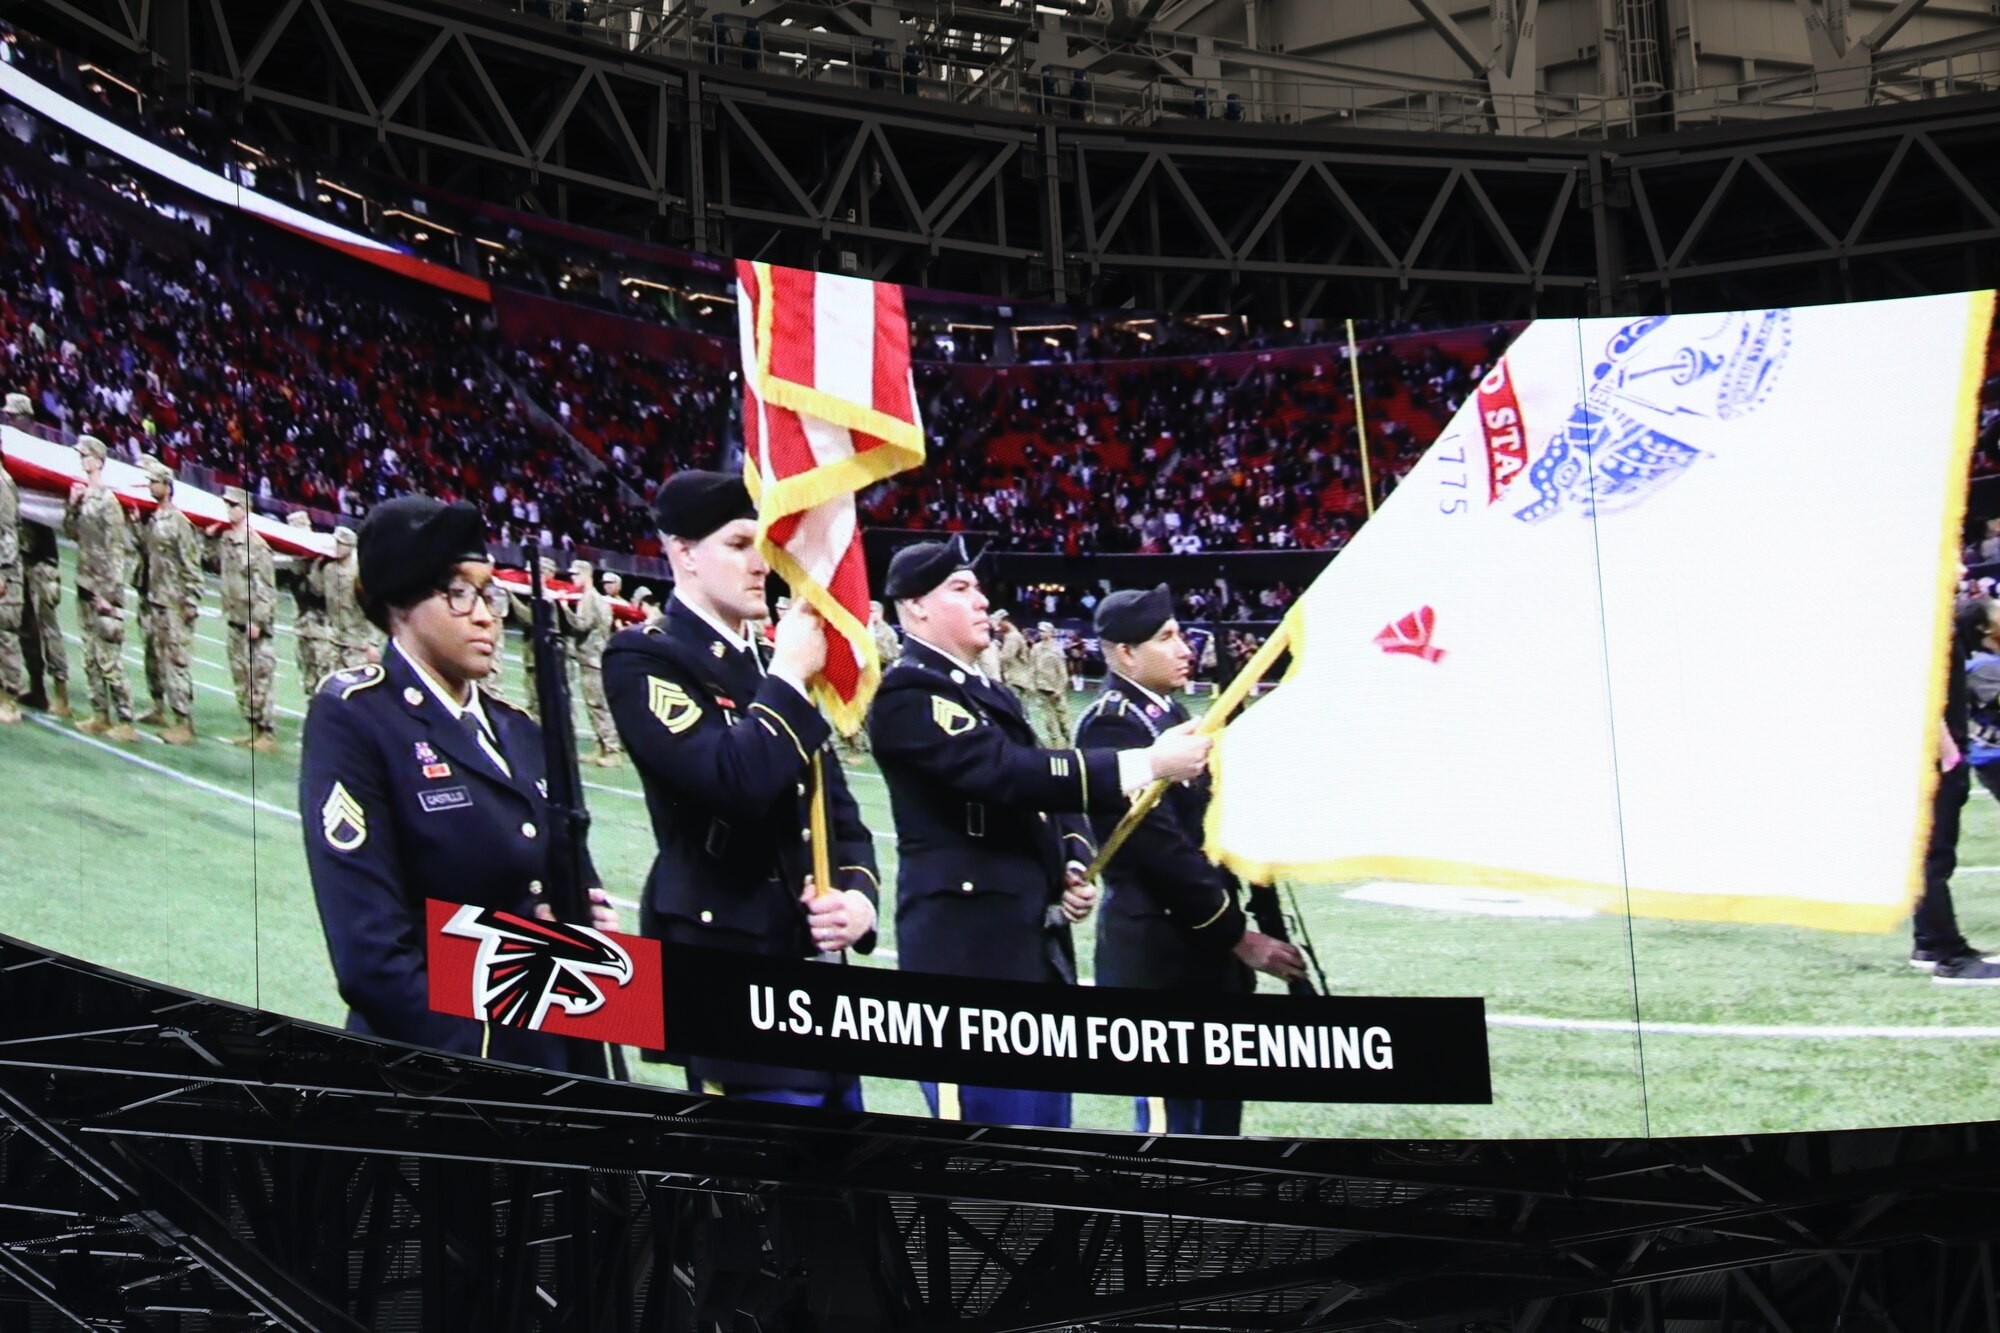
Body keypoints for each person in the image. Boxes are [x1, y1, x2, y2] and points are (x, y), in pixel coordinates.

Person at [867, 540, 1211, 1127]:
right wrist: (1145, 763)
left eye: (977, 587)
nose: (981, 601)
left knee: (1046, 1148)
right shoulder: (909, 692)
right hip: (966, 969)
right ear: (914, 607)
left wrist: (1069, 865)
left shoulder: (986, 691)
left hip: (1027, 955)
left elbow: (1050, 797)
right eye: (960, 588)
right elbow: (1007, 774)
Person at [299, 494, 619, 1071]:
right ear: (400, 603)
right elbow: (372, 957)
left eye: (488, 592)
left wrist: (591, 932)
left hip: (557, 1054)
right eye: (459, 593)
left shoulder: (519, 732)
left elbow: (573, 901)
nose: (485, 614)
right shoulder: (358, 716)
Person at [603, 470, 880, 1108]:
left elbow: (840, 817)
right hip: (727, 961)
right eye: (738, 544)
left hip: (818, 980)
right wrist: (785, 673)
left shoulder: (772, 665)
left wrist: (858, 902)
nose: (762, 562)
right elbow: (733, 780)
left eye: (767, 544)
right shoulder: (646, 656)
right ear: (682, 553)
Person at [1076, 584, 1306, 1135]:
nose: (1185, 648)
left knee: (1218, 1123)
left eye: (1181, 633)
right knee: (1171, 1126)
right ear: (1126, 653)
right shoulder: (1114, 725)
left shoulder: (1174, 713)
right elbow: (1157, 851)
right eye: (1167, 637)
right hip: (1159, 960)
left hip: (1207, 961)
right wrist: (1238, 936)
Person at [1911, 593, 2000, 984]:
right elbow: (1923, 699)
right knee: (1933, 857)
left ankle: (1929, 943)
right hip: (1936, 758)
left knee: (1932, 855)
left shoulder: (1935, 631)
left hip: (1941, 756)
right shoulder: (1927, 631)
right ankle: (1950, 956)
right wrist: (1950, 757)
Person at [64, 435, 137, 741]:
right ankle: (99, 714)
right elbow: (71, 533)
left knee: (108, 658)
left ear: (97, 460)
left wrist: (110, 596)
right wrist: (72, 505)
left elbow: (116, 551)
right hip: (85, 583)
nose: (81, 460)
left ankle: (126, 721)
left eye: (85, 456)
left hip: (102, 590)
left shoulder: (108, 502)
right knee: (90, 656)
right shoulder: (83, 496)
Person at [133, 457, 203, 744]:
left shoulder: (179, 522)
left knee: (176, 660)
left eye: (154, 482)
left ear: (167, 486)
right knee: (155, 655)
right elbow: (148, 554)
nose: (150, 486)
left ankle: (183, 723)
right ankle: (159, 708)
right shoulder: (155, 519)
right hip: (155, 597)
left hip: (173, 600)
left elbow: (191, 564)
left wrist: (191, 601)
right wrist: (138, 526)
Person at [217, 486, 278, 752]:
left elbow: (266, 588)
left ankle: (266, 732)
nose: (230, 510)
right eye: (228, 505)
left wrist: (259, 620)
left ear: (246, 509)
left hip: (252, 622)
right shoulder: (227, 539)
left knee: (259, 677)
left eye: (235, 505)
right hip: (234, 618)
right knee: (242, 678)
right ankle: (252, 728)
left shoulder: (257, 546)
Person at [561, 558, 622, 767]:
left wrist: (564, 608)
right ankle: (601, 746)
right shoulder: (597, 599)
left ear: (586, 575)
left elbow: (581, 624)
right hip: (594, 657)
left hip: (592, 658)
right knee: (594, 705)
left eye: (575, 575)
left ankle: (612, 750)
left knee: (598, 705)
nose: (572, 579)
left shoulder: (589, 598)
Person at [285, 511, 337, 695]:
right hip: (303, 627)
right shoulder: (294, 562)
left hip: (323, 629)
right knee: (308, 679)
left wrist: (315, 567)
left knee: (325, 677)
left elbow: (320, 592)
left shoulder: (324, 562)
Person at [20, 520, 67, 717]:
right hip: (21, 559)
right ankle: (37, 688)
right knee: (25, 628)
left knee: (48, 629)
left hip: (43, 563)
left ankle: (62, 698)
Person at [324, 525, 375, 670]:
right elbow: (317, 592)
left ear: (351, 546)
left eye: (341, 544)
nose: (337, 547)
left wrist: (373, 643)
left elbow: (372, 609)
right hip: (334, 639)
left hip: (357, 642)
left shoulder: (360, 572)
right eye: (336, 543)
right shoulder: (329, 568)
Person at [0, 403, 21, 724]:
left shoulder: (2, 483)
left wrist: (3, 571)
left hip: (4, 571)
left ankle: (10, 700)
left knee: (5, 635)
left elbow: (7, 531)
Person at [1027, 621, 1073, 746]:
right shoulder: (1036, 648)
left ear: (1051, 633)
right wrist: (1032, 685)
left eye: (1044, 631)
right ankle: (1055, 747)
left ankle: (1069, 744)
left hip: (1056, 690)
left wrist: (1060, 690)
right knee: (1049, 722)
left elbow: (1063, 672)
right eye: (1040, 631)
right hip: (1042, 688)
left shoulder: (1056, 649)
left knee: (1063, 721)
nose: (1041, 633)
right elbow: (1032, 667)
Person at [995, 611, 1032, 702]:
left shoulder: (1013, 637)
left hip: (1015, 679)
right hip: (1017, 678)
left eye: (999, 624)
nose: (998, 629)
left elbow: (1006, 657)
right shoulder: (1011, 636)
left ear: (1005, 621)